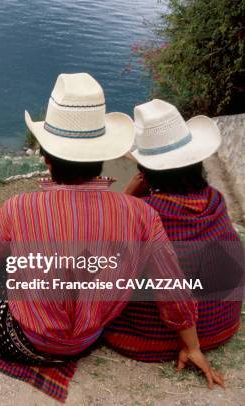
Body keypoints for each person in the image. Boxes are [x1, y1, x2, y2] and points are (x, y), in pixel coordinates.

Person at [0, 73, 224, 396]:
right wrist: (192, 345)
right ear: (101, 157)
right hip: (90, 338)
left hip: (25, 340)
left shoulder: (19, 207)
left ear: (47, 159)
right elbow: (172, 285)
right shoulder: (141, 214)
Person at [104, 99, 243, 362]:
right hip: (221, 327)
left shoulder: (142, 213)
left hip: (149, 340)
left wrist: (128, 197)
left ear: (146, 171)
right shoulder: (214, 200)